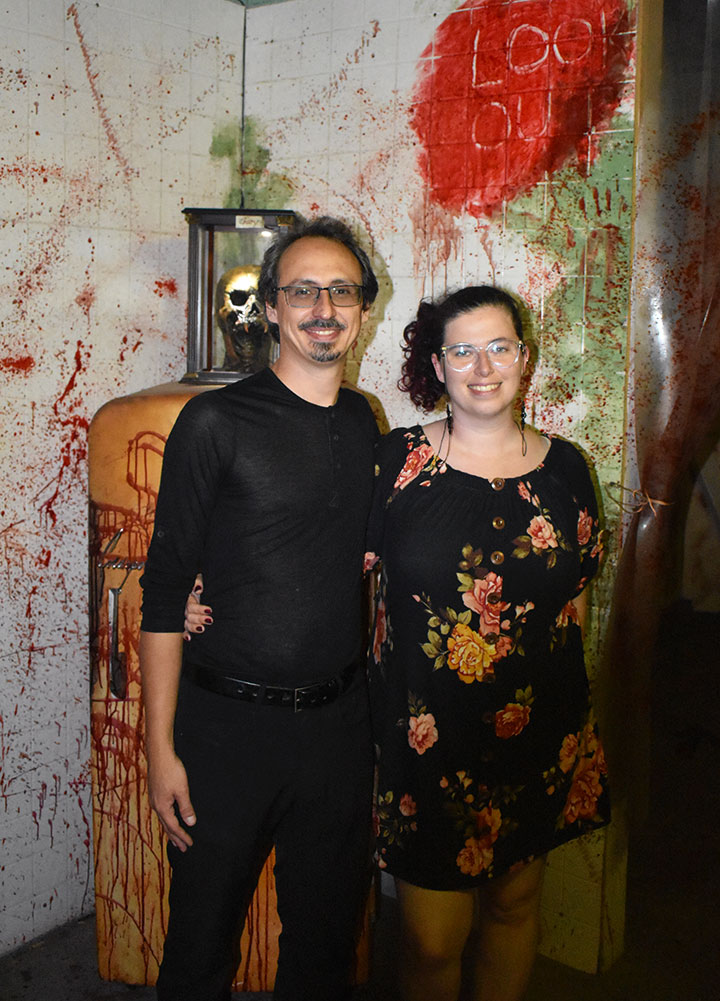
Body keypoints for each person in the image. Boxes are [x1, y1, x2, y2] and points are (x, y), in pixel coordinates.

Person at [139, 216, 380, 1001]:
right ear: (272, 307)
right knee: (199, 947)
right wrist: (160, 749)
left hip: (337, 733)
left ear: (363, 309)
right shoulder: (214, 423)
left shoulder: (363, 421)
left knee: (324, 949)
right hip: (226, 735)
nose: (323, 308)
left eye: (341, 291)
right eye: (302, 290)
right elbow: (164, 592)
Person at [365, 286, 610, 1001]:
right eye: (463, 351)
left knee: (513, 906)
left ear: (524, 358)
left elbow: (576, 594)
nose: (482, 367)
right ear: (437, 366)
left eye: (499, 347)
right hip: (426, 739)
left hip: (538, 731)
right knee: (430, 940)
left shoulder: (567, 468)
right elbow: (332, 568)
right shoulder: (398, 461)